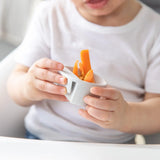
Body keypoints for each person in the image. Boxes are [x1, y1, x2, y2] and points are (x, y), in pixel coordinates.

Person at [7, 0, 160, 144]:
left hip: (113, 146)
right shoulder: (50, 15)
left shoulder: (154, 30)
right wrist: (28, 87)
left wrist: (126, 115)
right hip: (45, 138)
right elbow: (16, 82)